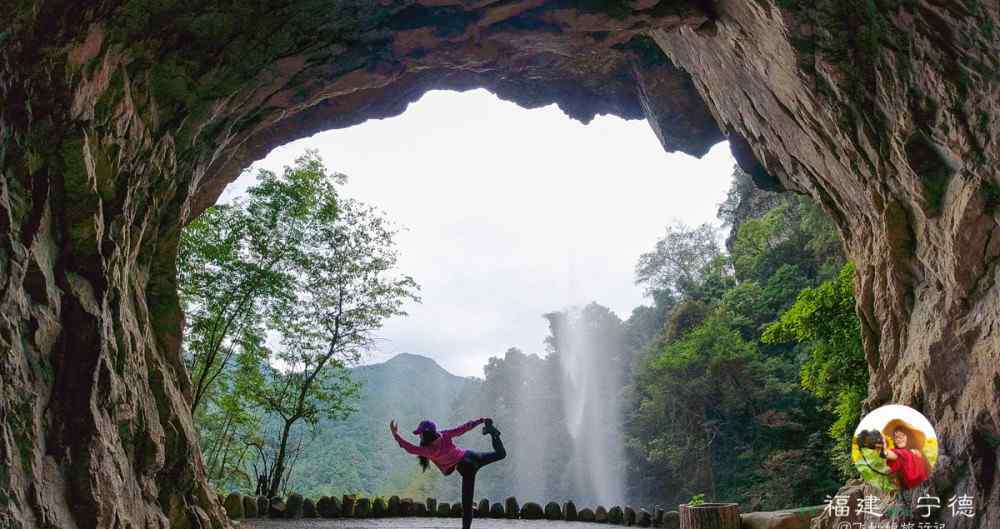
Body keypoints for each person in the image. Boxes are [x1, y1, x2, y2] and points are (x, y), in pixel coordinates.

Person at [390, 417, 506, 529]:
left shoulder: (430, 451)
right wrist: (479, 421)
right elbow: (462, 429)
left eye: (420, 433)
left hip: (467, 468)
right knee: (501, 454)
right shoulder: (443, 434)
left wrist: (396, 435)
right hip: (471, 456)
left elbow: (411, 448)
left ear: (427, 434)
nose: (419, 436)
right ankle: (492, 432)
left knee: (467, 504)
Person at [876, 419, 930, 490]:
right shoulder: (915, 452)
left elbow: (884, 453)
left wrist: (882, 443)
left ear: (909, 436)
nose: (899, 439)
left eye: (903, 435)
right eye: (896, 437)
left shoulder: (905, 453)